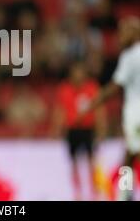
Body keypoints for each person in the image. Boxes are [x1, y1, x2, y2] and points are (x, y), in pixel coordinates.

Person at [82, 16, 140, 201]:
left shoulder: (130, 55)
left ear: (136, 33)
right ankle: (124, 195)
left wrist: (93, 103)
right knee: (130, 155)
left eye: (124, 31)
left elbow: (116, 86)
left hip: (137, 111)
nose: (120, 36)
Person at [53, 62, 106, 200]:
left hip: (88, 129)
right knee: (74, 162)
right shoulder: (65, 89)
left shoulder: (92, 88)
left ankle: (94, 192)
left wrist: (101, 129)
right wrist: (57, 129)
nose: (78, 75)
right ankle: (78, 192)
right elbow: (61, 110)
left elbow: (99, 110)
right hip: (72, 130)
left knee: (91, 161)